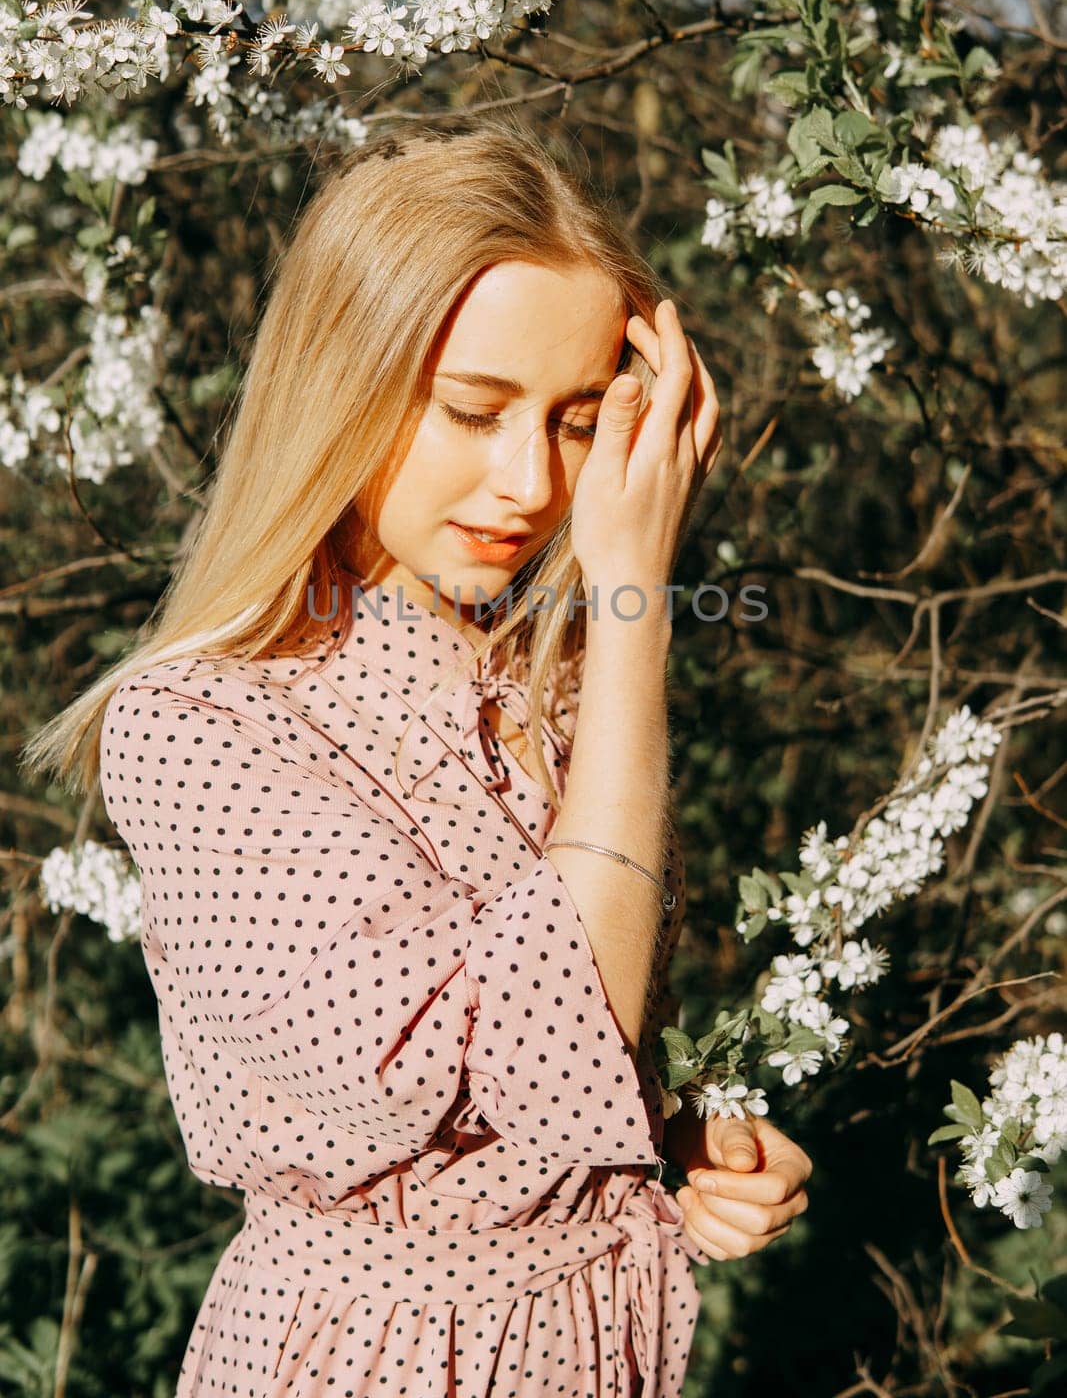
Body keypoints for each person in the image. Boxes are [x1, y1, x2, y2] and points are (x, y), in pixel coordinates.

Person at [22, 121, 811, 1397]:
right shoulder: (207, 727)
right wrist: (633, 605)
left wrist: (674, 1143)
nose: (529, 480)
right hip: (380, 1358)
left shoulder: (547, 681)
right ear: (344, 380)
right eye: (473, 409)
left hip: (592, 1341)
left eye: (575, 419)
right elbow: (527, 1035)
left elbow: (560, 1060)